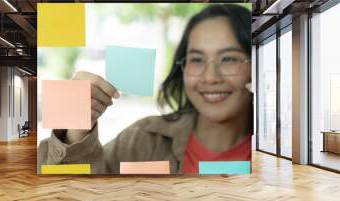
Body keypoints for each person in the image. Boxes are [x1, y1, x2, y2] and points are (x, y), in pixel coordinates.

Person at [38, 4, 252, 174]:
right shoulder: (142, 139)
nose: (211, 77)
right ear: (182, 68)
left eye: (229, 59)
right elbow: (70, 200)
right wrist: (75, 131)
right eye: (197, 59)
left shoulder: (279, 153)